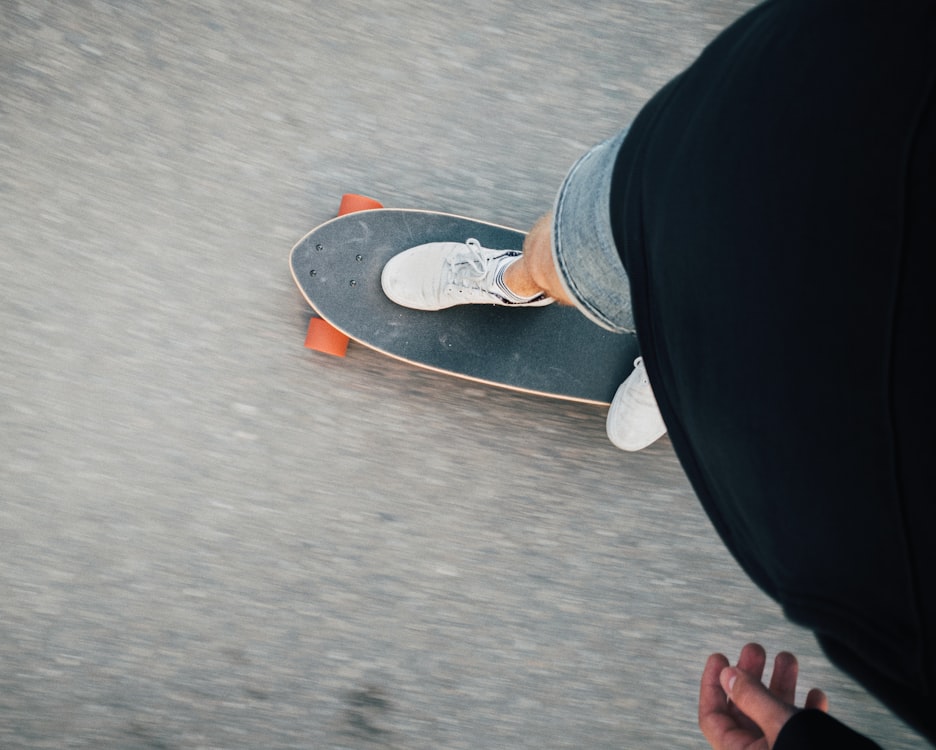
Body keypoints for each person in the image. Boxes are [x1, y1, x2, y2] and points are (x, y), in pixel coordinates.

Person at [380, 0, 936, 746]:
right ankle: (518, 276)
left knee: (739, 387)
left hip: (822, 442)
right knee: (595, 244)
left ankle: (676, 365)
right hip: (802, 132)